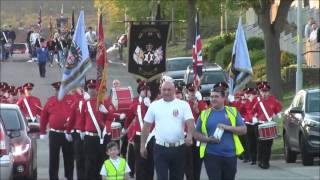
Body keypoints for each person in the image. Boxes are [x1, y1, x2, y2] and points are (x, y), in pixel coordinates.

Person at [140, 80, 195, 180]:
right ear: (160, 91)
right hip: (160, 149)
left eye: (169, 90)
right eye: (164, 90)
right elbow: (146, 127)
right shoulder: (154, 105)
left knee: (177, 177)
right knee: (162, 177)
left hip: (179, 148)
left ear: (174, 90)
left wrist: (190, 135)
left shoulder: (183, 105)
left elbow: (190, 122)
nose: (166, 92)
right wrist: (142, 145)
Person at [193, 82, 247, 180]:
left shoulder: (233, 111)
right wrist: (208, 139)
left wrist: (227, 127)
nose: (213, 99)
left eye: (216, 96)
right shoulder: (204, 114)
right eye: (212, 96)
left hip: (230, 155)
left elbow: (243, 130)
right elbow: (196, 134)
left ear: (223, 98)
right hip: (211, 155)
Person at [40, 82, 75, 180]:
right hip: (54, 133)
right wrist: (42, 131)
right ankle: (53, 177)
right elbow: (43, 117)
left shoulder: (72, 99)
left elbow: (78, 113)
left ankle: (69, 177)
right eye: (57, 90)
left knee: (69, 157)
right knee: (53, 157)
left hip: (68, 133)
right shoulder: (50, 101)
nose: (59, 92)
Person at [82, 79, 113, 180]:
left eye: (94, 87)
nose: (92, 90)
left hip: (102, 137)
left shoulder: (104, 102)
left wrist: (106, 111)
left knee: (102, 162)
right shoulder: (84, 104)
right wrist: (82, 132)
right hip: (89, 138)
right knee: (89, 164)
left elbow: (110, 118)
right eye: (90, 88)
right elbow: (82, 119)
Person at [125, 80, 154, 180]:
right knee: (140, 164)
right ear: (139, 92)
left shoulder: (154, 104)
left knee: (151, 163)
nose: (146, 92)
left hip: (151, 136)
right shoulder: (135, 104)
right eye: (143, 90)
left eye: (147, 90)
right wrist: (127, 131)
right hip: (139, 136)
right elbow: (128, 119)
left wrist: (149, 106)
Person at [252, 82, 282, 169]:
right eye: (262, 91)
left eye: (266, 91)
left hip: (270, 124)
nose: (264, 93)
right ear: (260, 92)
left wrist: (276, 114)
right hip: (260, 124)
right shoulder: (257, 100)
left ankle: (266, 162)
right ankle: (261, 160)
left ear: (269, 92)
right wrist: (255, 117)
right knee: (261, 144)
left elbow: (278, 109)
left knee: (268, 144)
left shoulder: (273, 99)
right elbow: (253, 111)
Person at [185, 83, 208, 180]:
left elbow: (206, 116)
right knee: (188, 163)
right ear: (187, 92)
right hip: (187, 136)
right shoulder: (184, 104)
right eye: (190, 91)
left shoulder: (201, 103)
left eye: (194, 91)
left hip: (198, 137)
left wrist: (200, 104)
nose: (192, 93)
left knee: (198, 163)